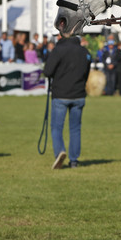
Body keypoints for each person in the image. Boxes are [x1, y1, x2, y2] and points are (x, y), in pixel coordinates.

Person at [43, 32, 91, 169]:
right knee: (75, 128)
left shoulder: (58, 50)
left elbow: (47, 71)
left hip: (61, 94)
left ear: (62, 36)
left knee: (57, 127)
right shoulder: (84, 51)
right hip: (79, 94)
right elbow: (86, 73)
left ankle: (59, 152)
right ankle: (74, 161)